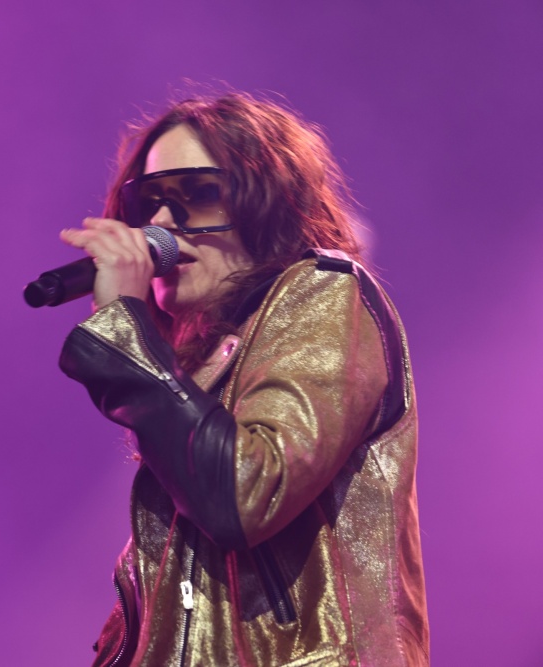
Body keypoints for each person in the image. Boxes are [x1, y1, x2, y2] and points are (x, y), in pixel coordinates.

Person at [57, 93, 428, 666]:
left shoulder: (325, 291)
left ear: (267, 203)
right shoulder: (200, 374)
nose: (160, 224)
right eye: (147, 202)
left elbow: (244, 493)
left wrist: (125, 334)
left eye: (196, 195)